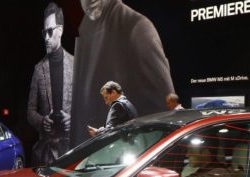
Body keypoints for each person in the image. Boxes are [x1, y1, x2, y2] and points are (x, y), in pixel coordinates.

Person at [71, 0, 174, 144]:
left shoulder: (138, 28)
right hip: (97, 151)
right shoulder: (86, 28)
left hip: (123, 152)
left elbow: (163, 115)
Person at [28, 2, 74, 166]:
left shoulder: (75, 65)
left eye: (50, 31)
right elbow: (30, 111)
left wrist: (73, 119)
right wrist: (42, 121)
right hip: (46, 154)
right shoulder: (39, 69)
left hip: (73, 150)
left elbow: (85, 106)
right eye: (44, 33)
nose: (46, 38)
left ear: (60, 31)